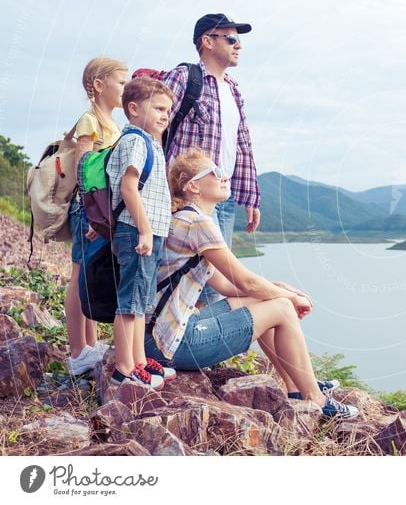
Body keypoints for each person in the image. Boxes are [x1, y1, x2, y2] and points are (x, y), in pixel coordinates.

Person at [143, 148, 358, 419]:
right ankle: (316, 399)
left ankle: (297, 387)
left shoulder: (188, 218)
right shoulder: (197, 222)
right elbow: (244, 281)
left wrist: (279, 287)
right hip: (171, 344)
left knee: (269, 301)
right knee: (281, 308)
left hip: (159, 336)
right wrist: (291, 298)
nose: (224, 176)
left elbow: (227, 285)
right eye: (215, 172)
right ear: (193, 186)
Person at [161, 13, 261, 247]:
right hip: (190, 194)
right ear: (207, 41)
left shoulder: (233, 89)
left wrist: (251, 197)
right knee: (203, 276)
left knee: (214, 277)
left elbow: (242, 145)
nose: (238, 45)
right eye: (231, 38)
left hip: (222, 196)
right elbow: (151, 127)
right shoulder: (184, 77)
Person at [106, 77, 177, 389]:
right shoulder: (135, 141)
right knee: (131, 301)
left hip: (148, 231)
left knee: (141, 301)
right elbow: (129, 188)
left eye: (168, 110)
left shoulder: (151, 142)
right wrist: (146, 231)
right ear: (133, 109)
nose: (165, 115)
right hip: (137, 230)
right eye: (159, 108)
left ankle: (137, 360)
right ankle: (125, 368)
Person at [65, 58, 128, 376]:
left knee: (88, 273)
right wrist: (93, 212)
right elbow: (84, 166)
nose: (125, 88)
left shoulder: (112, 123)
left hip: (98, 210)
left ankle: (88, 344)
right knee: (78, 275)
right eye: (120, 82)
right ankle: (77, 351)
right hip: (88, 208)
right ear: (99, 85)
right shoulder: (90, 120)